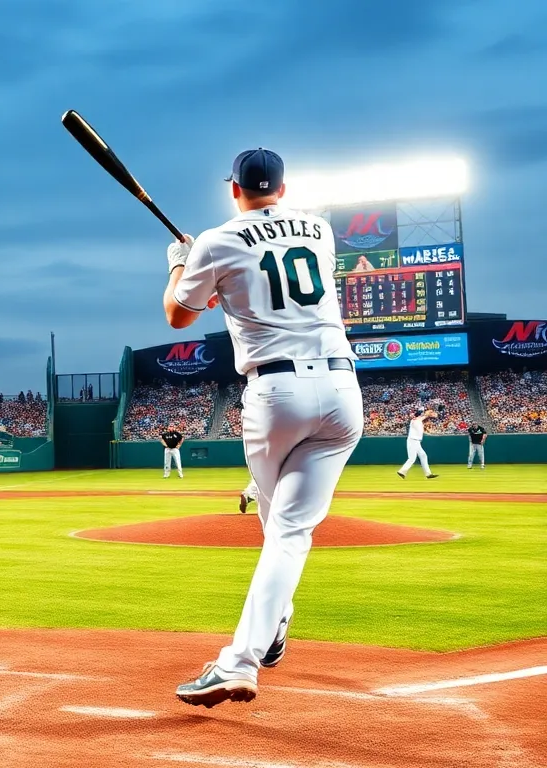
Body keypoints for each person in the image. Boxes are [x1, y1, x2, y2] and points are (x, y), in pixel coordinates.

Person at [162, 148, 363, 708]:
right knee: (287, 531)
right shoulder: (320, 229)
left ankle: (239, 661)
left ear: (235, 189)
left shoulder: (216, 240)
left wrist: (180, 261)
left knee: (282, 532)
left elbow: (178, 314)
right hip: (344, 393)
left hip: (275, 395)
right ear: (282, 186)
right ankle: (272, 627)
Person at [398, 408, 439, 479]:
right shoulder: (415, 421)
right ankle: (402, 471)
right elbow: (425, 415)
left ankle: (428, 474)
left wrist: (428, 432)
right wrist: (431, 414)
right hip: (413, 441)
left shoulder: (419, 422)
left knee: (423, 456)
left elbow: (424, 418)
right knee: (412, 458)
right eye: (419, 415)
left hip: (416, 442)